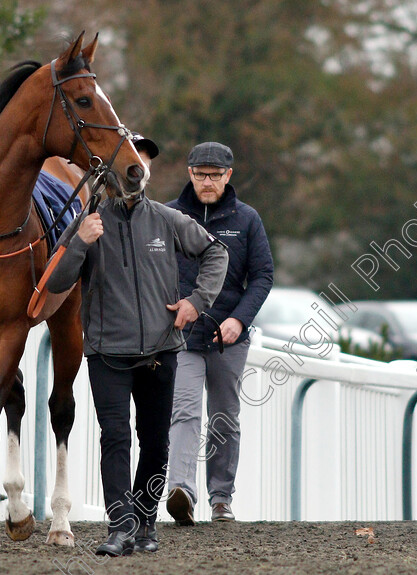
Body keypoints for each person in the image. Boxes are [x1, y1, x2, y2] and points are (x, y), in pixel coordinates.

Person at [47, 133, 228, 556]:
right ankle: (120, 526)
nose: (136, 170)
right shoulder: (88, 223)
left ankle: (146, 522)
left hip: (161, 353)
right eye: (130, 162)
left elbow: (216, 253)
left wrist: (196, 302)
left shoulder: (167, 219)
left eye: (142, 163)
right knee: (114, 439)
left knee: (154, 440)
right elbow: (56, 282)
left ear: (146, 173)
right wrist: (80, 243)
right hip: (107, 355)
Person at [165, 141, 274, 524]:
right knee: (184, 410)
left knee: (224, 417)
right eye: (200, 174)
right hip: (181, 337)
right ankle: (180, 490)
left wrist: (240, 319)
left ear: (228, 176)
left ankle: (221, 497)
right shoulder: (169, 216)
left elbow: (262, 276)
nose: (207, 181)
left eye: (214, 175)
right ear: (189, 173)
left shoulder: (247, 220)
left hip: (230, 338)